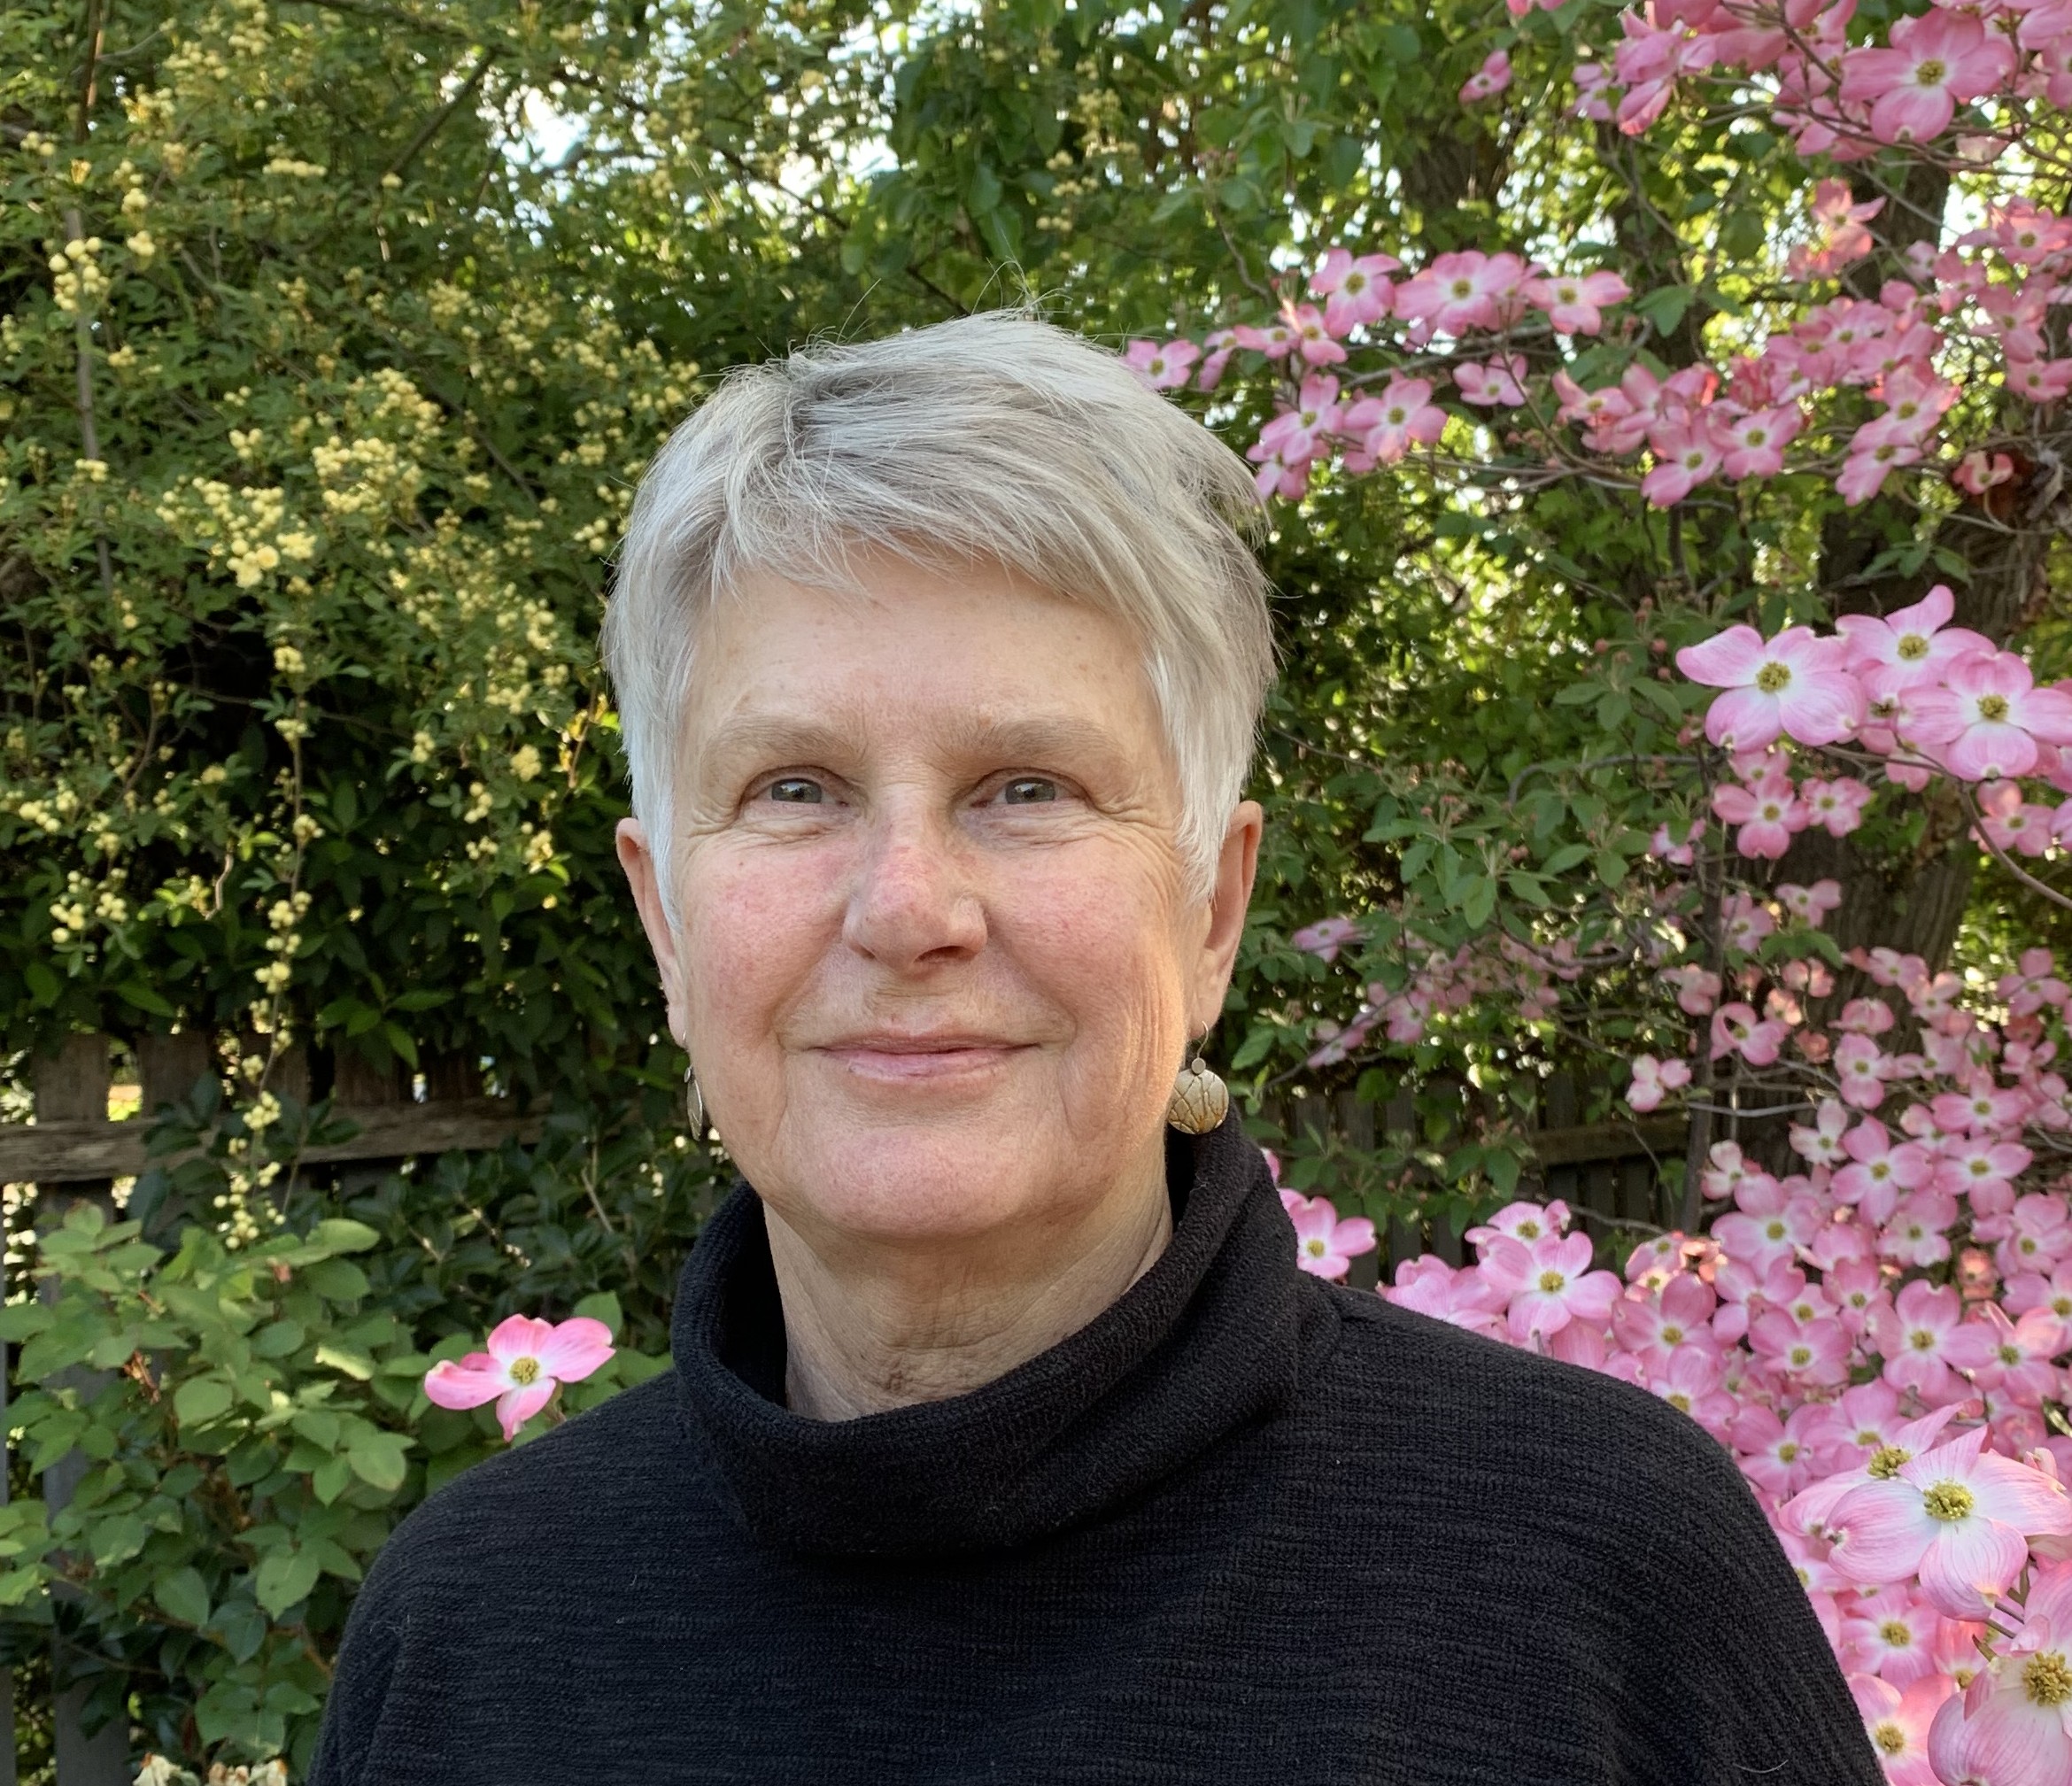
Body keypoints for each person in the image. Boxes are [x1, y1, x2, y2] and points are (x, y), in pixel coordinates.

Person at [308, 313, 1881, 1783]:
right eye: (794, 788)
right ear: (666, 921)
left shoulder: (1601, 1578)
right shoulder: (465, 1637)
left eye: (1028, 788)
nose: (906, 908)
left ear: (1212, 910)